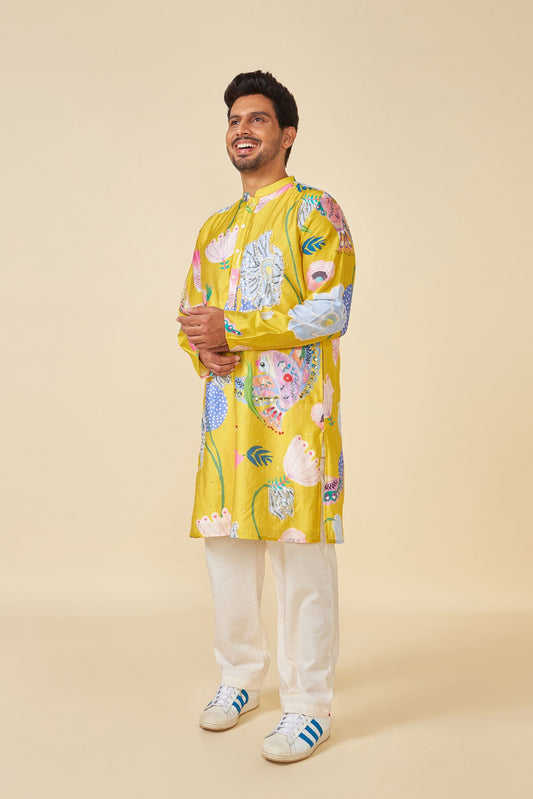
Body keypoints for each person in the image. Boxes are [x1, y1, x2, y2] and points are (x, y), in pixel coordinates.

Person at [177, 70, 355, 763]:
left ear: (286, 135)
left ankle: (309, 705)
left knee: (302, 564)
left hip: (296, 423)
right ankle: (240, 679)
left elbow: (330, 309)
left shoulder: (315, 211)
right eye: (233, 119)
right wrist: (204, 348)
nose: (241, 130)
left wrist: (236, 329)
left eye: (256, 119)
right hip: (226, 424)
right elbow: (192, 315)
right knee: (226, 556)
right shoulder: (215, 228)